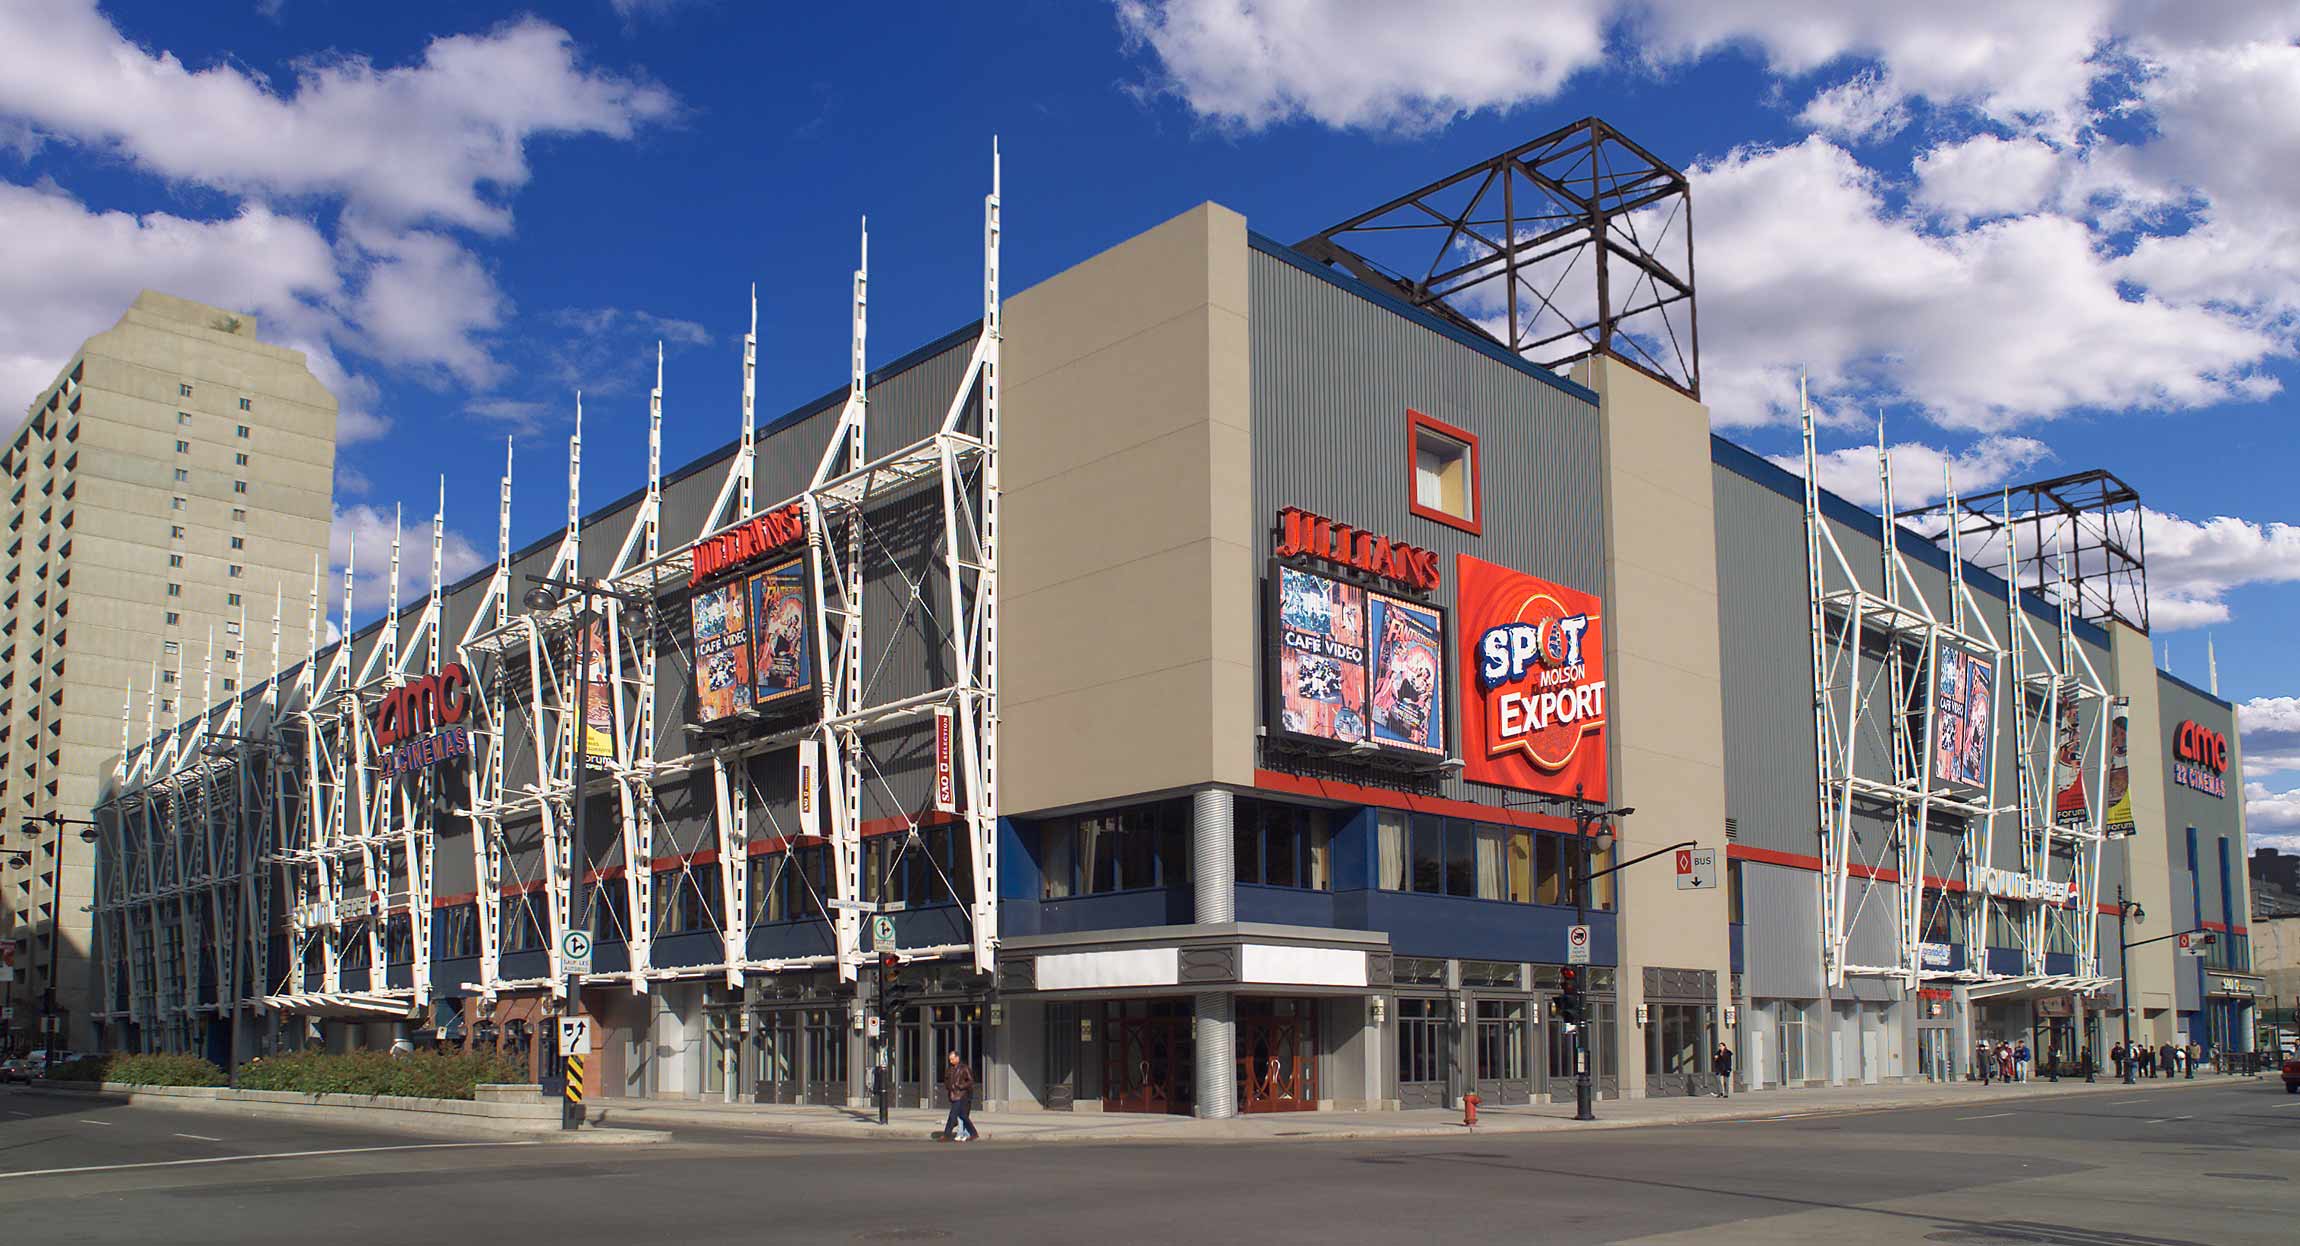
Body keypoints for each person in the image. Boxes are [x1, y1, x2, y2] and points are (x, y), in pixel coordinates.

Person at [940, 1050, 976, 1142]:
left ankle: (946, 1135)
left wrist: (961, 1086)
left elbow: (970, 1081)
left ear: (957, 1058)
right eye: (950, 1059)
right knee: (963, 1115)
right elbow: (946, 1080)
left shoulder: (964, 1068)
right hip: (953, 1095)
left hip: (961, 1095)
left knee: (952, 1115)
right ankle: (973, 1133)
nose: (951, 1061)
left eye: (952, 1059)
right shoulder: (950, 1069)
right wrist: (948, 1086)